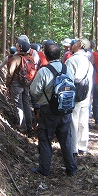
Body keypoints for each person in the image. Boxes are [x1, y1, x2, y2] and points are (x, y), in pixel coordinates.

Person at [29, 43, 77, 177]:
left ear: (45, 55)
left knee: (45, 139)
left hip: (48, 111)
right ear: (60, 55)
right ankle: (71, 168)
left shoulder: (44, 71)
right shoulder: (67, 69)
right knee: (66, 139)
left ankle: (44, 169)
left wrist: (41, 100)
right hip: (66, 109)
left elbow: (34, 91)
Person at [65, 38, 94, 155]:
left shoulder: (72, 61)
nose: (73, 44)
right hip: (85, 95)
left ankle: (73, 148)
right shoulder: (88, 63)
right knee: (83, 121)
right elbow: (90, 81)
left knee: (73, 121)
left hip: (74, 96)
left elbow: (67, 80)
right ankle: (83, 146)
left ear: (80, 46)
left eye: (76, 42)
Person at [6, 39, 33, 136]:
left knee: (19, 105)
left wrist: (7, 85)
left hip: (16, 84)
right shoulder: (30, 58)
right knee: (26, 105)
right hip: (26, 84)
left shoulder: (16, 58)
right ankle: (29, 126)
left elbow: (10, 73)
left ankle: (22, 127)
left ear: (19, 48)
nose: (16, 46)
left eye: (17, 45)